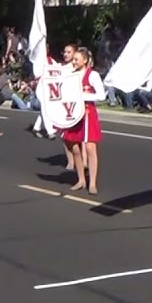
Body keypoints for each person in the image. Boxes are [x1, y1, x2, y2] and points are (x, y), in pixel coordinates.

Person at [60, 47, 104, 195]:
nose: (74, 62)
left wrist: (82, 96)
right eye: (73, 59)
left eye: (76, 59)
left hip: (88, 113)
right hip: (74, 114)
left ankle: (92, 183)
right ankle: (80, 180)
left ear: (84, 60)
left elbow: (101, 95)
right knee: (75, 149)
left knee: (91, 148)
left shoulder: (93, 75)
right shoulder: (71, 75)